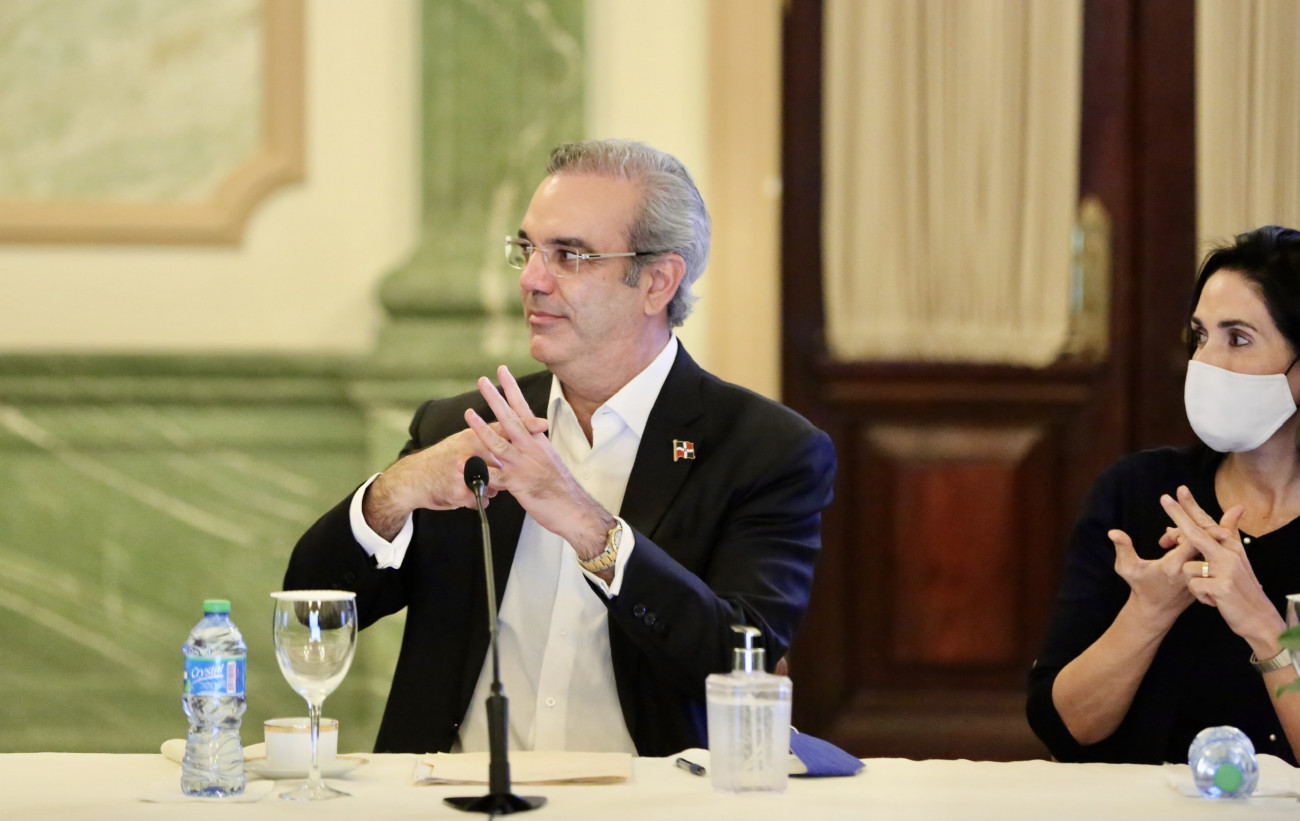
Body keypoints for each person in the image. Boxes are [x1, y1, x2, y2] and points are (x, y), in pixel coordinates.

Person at [285, 139, 836, 757]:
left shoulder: (764, 450)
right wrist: (396, 491)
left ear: (657, 282)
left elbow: (740, 660)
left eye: (569, 256)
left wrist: (587, 525)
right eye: (528, 250)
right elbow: (312, 613)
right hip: (456, 794)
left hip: (649, 798)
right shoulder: (463, 427)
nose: (531, 280)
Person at [1027, 225, 1300, 764]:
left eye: (1238, 338)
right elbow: (1064, 729)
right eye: (1200, 336)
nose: (1206, 362)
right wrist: (1148, 612)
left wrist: (1266, 630)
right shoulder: (1139, 491)